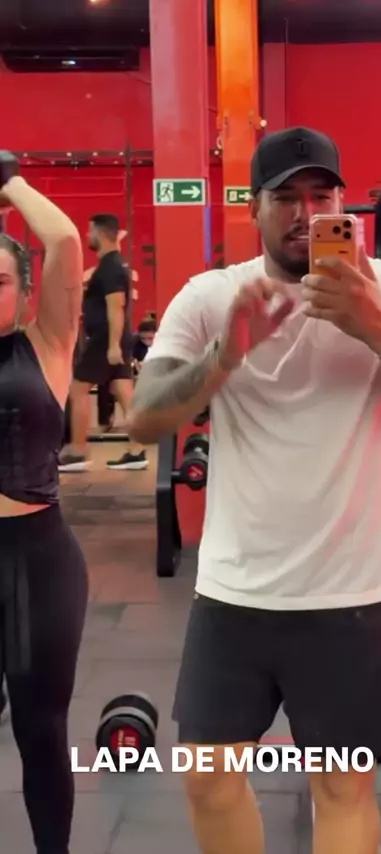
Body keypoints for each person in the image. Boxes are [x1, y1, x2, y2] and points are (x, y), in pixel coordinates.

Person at [127, 127, 381, 854]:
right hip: (235, 590)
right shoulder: (210, 296)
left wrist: (375, 326)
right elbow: (144, 419)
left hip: (355, 592)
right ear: (253, 209)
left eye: (321, 195)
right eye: (285, 197)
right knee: (207, 776)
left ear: (342, 204)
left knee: (342, 788)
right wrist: (226, 353)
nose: (305, 212)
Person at [0, 153, 88, 854]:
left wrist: (10, 180)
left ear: (26, 292)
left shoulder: (46, 343)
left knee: (41, 730)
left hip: (36, 560)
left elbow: (62, 240)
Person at [58, 213, 148, 471]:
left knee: (78, 389)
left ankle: (77, 450)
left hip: (105, 339)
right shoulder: (112, 265)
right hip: (112, 338)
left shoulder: (110, 267)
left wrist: (112, 345)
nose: (87, 236)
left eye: (90, 231)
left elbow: (116, 306)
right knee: (123, 391)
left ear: (100, 233)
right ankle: (137, 449)